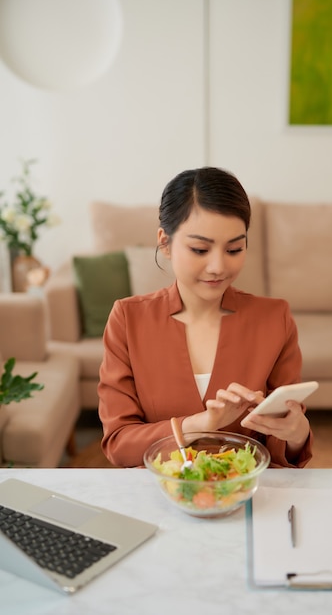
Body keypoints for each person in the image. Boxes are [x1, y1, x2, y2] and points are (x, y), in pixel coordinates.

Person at [98, 167, 313, 468]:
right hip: (159, 496)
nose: (218, 267)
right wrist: (200, 423)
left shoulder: (274, 319)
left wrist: (297, 433)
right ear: (165, 242)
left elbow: (282, 451)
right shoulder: (128, 319)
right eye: (200, 249)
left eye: (235, 248)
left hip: (245, 496)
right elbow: (119, 445)